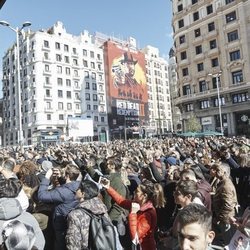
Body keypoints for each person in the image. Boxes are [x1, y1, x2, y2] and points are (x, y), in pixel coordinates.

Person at [101, 177, 165, 250]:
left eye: (137, 191)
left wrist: (133, 214)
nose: (134, 192)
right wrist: (108, 187)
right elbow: (121, 201)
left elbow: (135, 236)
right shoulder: (138, 205)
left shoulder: (148, 213)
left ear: (144, 196)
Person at [66, 180, 120, 249]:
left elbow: (73, 242)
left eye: (78, 188)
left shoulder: (75, 215)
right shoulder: (102, 210)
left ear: (83, 194)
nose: (76, 190)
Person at [37, 164, 80, 250]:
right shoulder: (79, 185)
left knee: (60, 244)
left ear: (67, 175)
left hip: (61, 223)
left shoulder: (62, 192)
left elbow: (41, 196)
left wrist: (46, 177)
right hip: (72, 220)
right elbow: (68, 186)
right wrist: (60, 177)